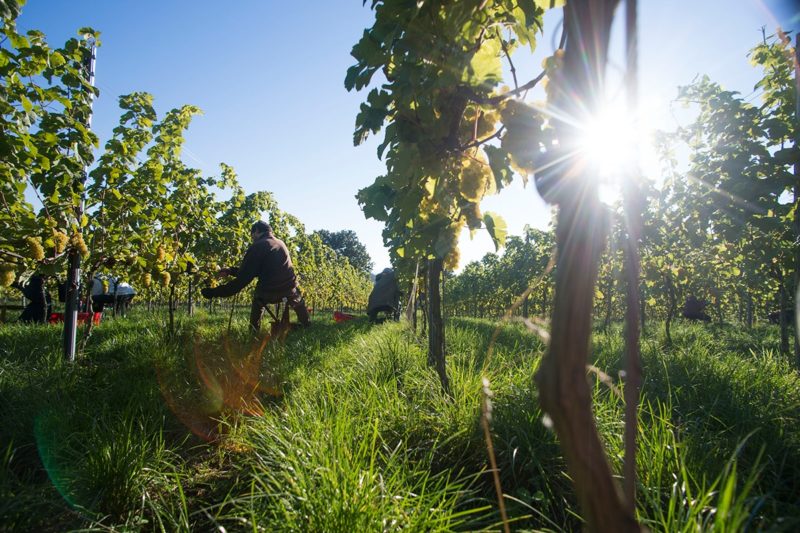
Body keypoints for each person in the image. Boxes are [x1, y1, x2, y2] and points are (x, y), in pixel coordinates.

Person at [200, 221, 310, 333]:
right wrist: (230, 271)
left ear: (257, 231)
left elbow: (242, 281)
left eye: (252, 234)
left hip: (270, 291)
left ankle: (253, 333)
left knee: (258, 300)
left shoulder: (258, 246)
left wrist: (213, 292)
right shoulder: (280, 243)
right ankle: (307, 327)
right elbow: (256, 271)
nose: (252, 238)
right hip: (290, 290)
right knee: (299, 301)